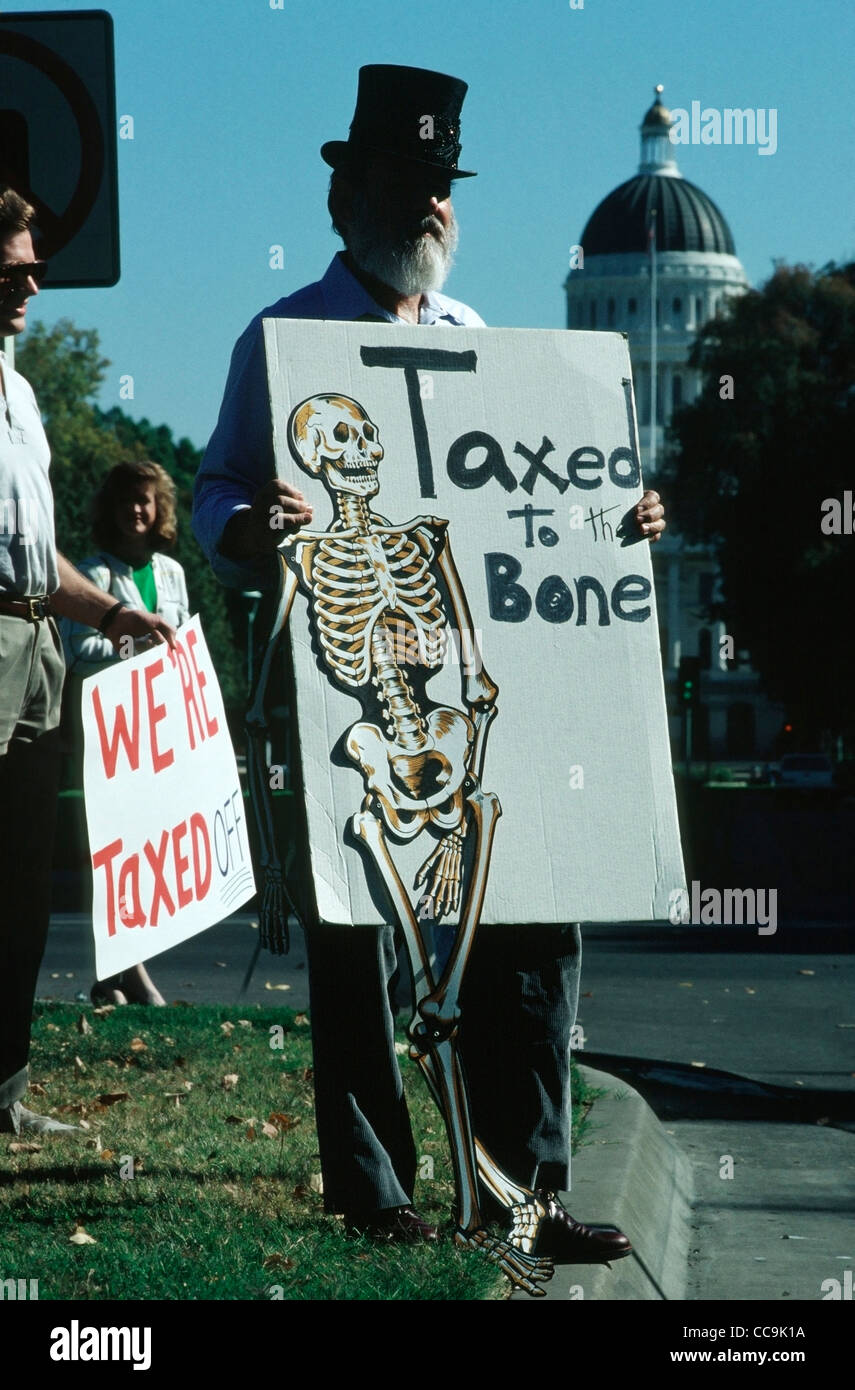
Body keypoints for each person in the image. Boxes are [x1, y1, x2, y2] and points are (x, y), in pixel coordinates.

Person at [193, 67, 665, 1253]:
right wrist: (253, 528)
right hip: (344, 692)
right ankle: (378, 1189)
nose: (429, 206)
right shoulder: (284, 340)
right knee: (360, 939)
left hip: (480, 690)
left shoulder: (483, 344)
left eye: (442, 185)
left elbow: (532, 516)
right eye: (405, 183)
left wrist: (617, 519)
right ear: (344, 197)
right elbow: (216, 491)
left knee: (530, 921)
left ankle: (527, 1189)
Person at [0, 186, 175, 1137]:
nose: (34, 283)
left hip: (39, 647)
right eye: (15, 269)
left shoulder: (21, 395)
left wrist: (110, 611)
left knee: (25, 883)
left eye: (34, 267)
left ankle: (5, 1093)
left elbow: (39, 554)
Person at [59, 459, 191, 1006]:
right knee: (115, 851)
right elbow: (77, 651)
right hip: (108, 735)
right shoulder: (91, 574)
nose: (136, 509)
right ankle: (134, 977)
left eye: (145, 499)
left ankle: (111, 978)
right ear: (109, 509)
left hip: (157, 734)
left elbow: (184, 644)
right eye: (126, 500)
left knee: (148, 851)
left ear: (160, 508)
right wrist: (135, 645)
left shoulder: (172, 573)